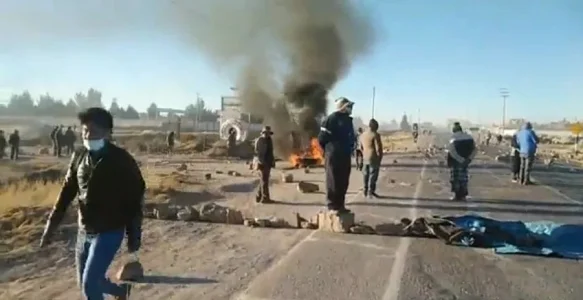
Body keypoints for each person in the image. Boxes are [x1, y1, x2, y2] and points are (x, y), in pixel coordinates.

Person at [39, 107, 145, 300]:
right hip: (84, 230)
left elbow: (134, 198)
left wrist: (134, 234)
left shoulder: (121, 160)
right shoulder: (78, 156)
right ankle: (121, 292)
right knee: (86, 282)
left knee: (89, 286)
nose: (88, 135)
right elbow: (66, 194)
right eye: (85, 131)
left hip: (109, 231)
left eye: (93, 131)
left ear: (107, 132)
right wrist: (50, 227)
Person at [318, 97, 355, 213]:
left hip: (345, 154)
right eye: (348, 106)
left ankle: (341, 205)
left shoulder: (348, 120)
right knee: (333, 179)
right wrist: (329, 150)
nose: (350, 108)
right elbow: (322, 138)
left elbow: (351, 137)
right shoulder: (331, 119)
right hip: (333, 154)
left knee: (343, 180)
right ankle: (332, 205)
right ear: (342, 107)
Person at [446, 122, 477, 201]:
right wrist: (469, 159)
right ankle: (463, 195)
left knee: (455, 179)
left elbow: (452, 151)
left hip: (456, 162)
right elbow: (475, 150)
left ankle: (457, 196)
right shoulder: (469, 137)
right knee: (463, 179)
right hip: (466, 161)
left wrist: (460, 160)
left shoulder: (453, 138)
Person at [359, 118, 383, 198]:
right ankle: (371, 191)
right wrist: (380, 158)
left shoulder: (362, 135)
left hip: (365, 157)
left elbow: (361, 147)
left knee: (366, 174)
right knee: (373, 175)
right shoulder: (375, 135)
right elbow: (378, 148)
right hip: (373, 157)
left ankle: (365, 191)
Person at [254, 126, 275, 203]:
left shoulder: (269, 140)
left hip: (268, 162)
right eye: (265, 133)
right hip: (263, 163)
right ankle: (265, 199)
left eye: (268, 133)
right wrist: (261, 163)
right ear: (262, 133)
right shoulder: (261, 140)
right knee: (264, 181)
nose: (267, 134)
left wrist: (272, 161)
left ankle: (258, 197)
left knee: (263, 180)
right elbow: (258, 154)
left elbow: (270, 152)